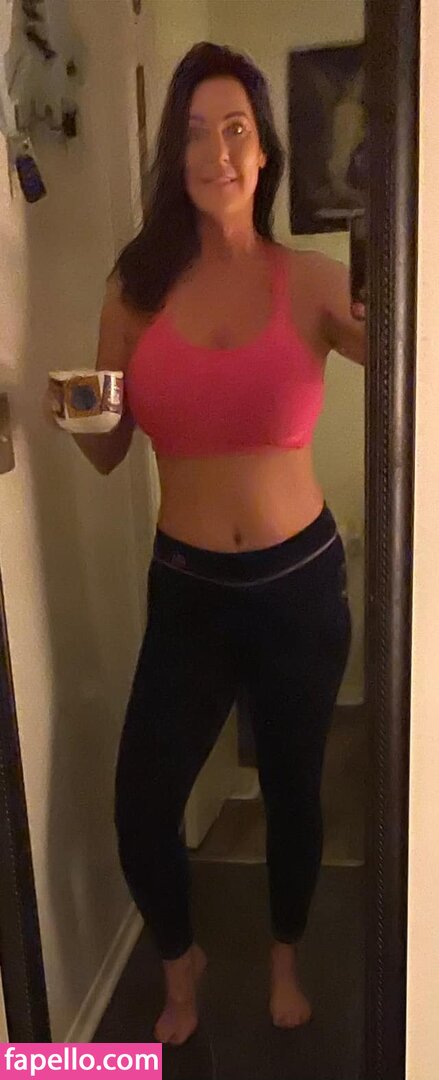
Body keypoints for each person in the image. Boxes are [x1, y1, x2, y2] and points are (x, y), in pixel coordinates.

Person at [48, 42, 365, 1046]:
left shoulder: (311, 281)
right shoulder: (133, 291)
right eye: (193, 131)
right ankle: (179, 964)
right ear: (172, 155)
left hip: (299, 584)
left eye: (234, 129)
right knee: (141, 805)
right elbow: (109, 453)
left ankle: (283, 956)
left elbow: (412, 361)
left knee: (292, 791)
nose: (215, 151)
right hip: (187, 591)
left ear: (264, 152)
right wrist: (70, 410)